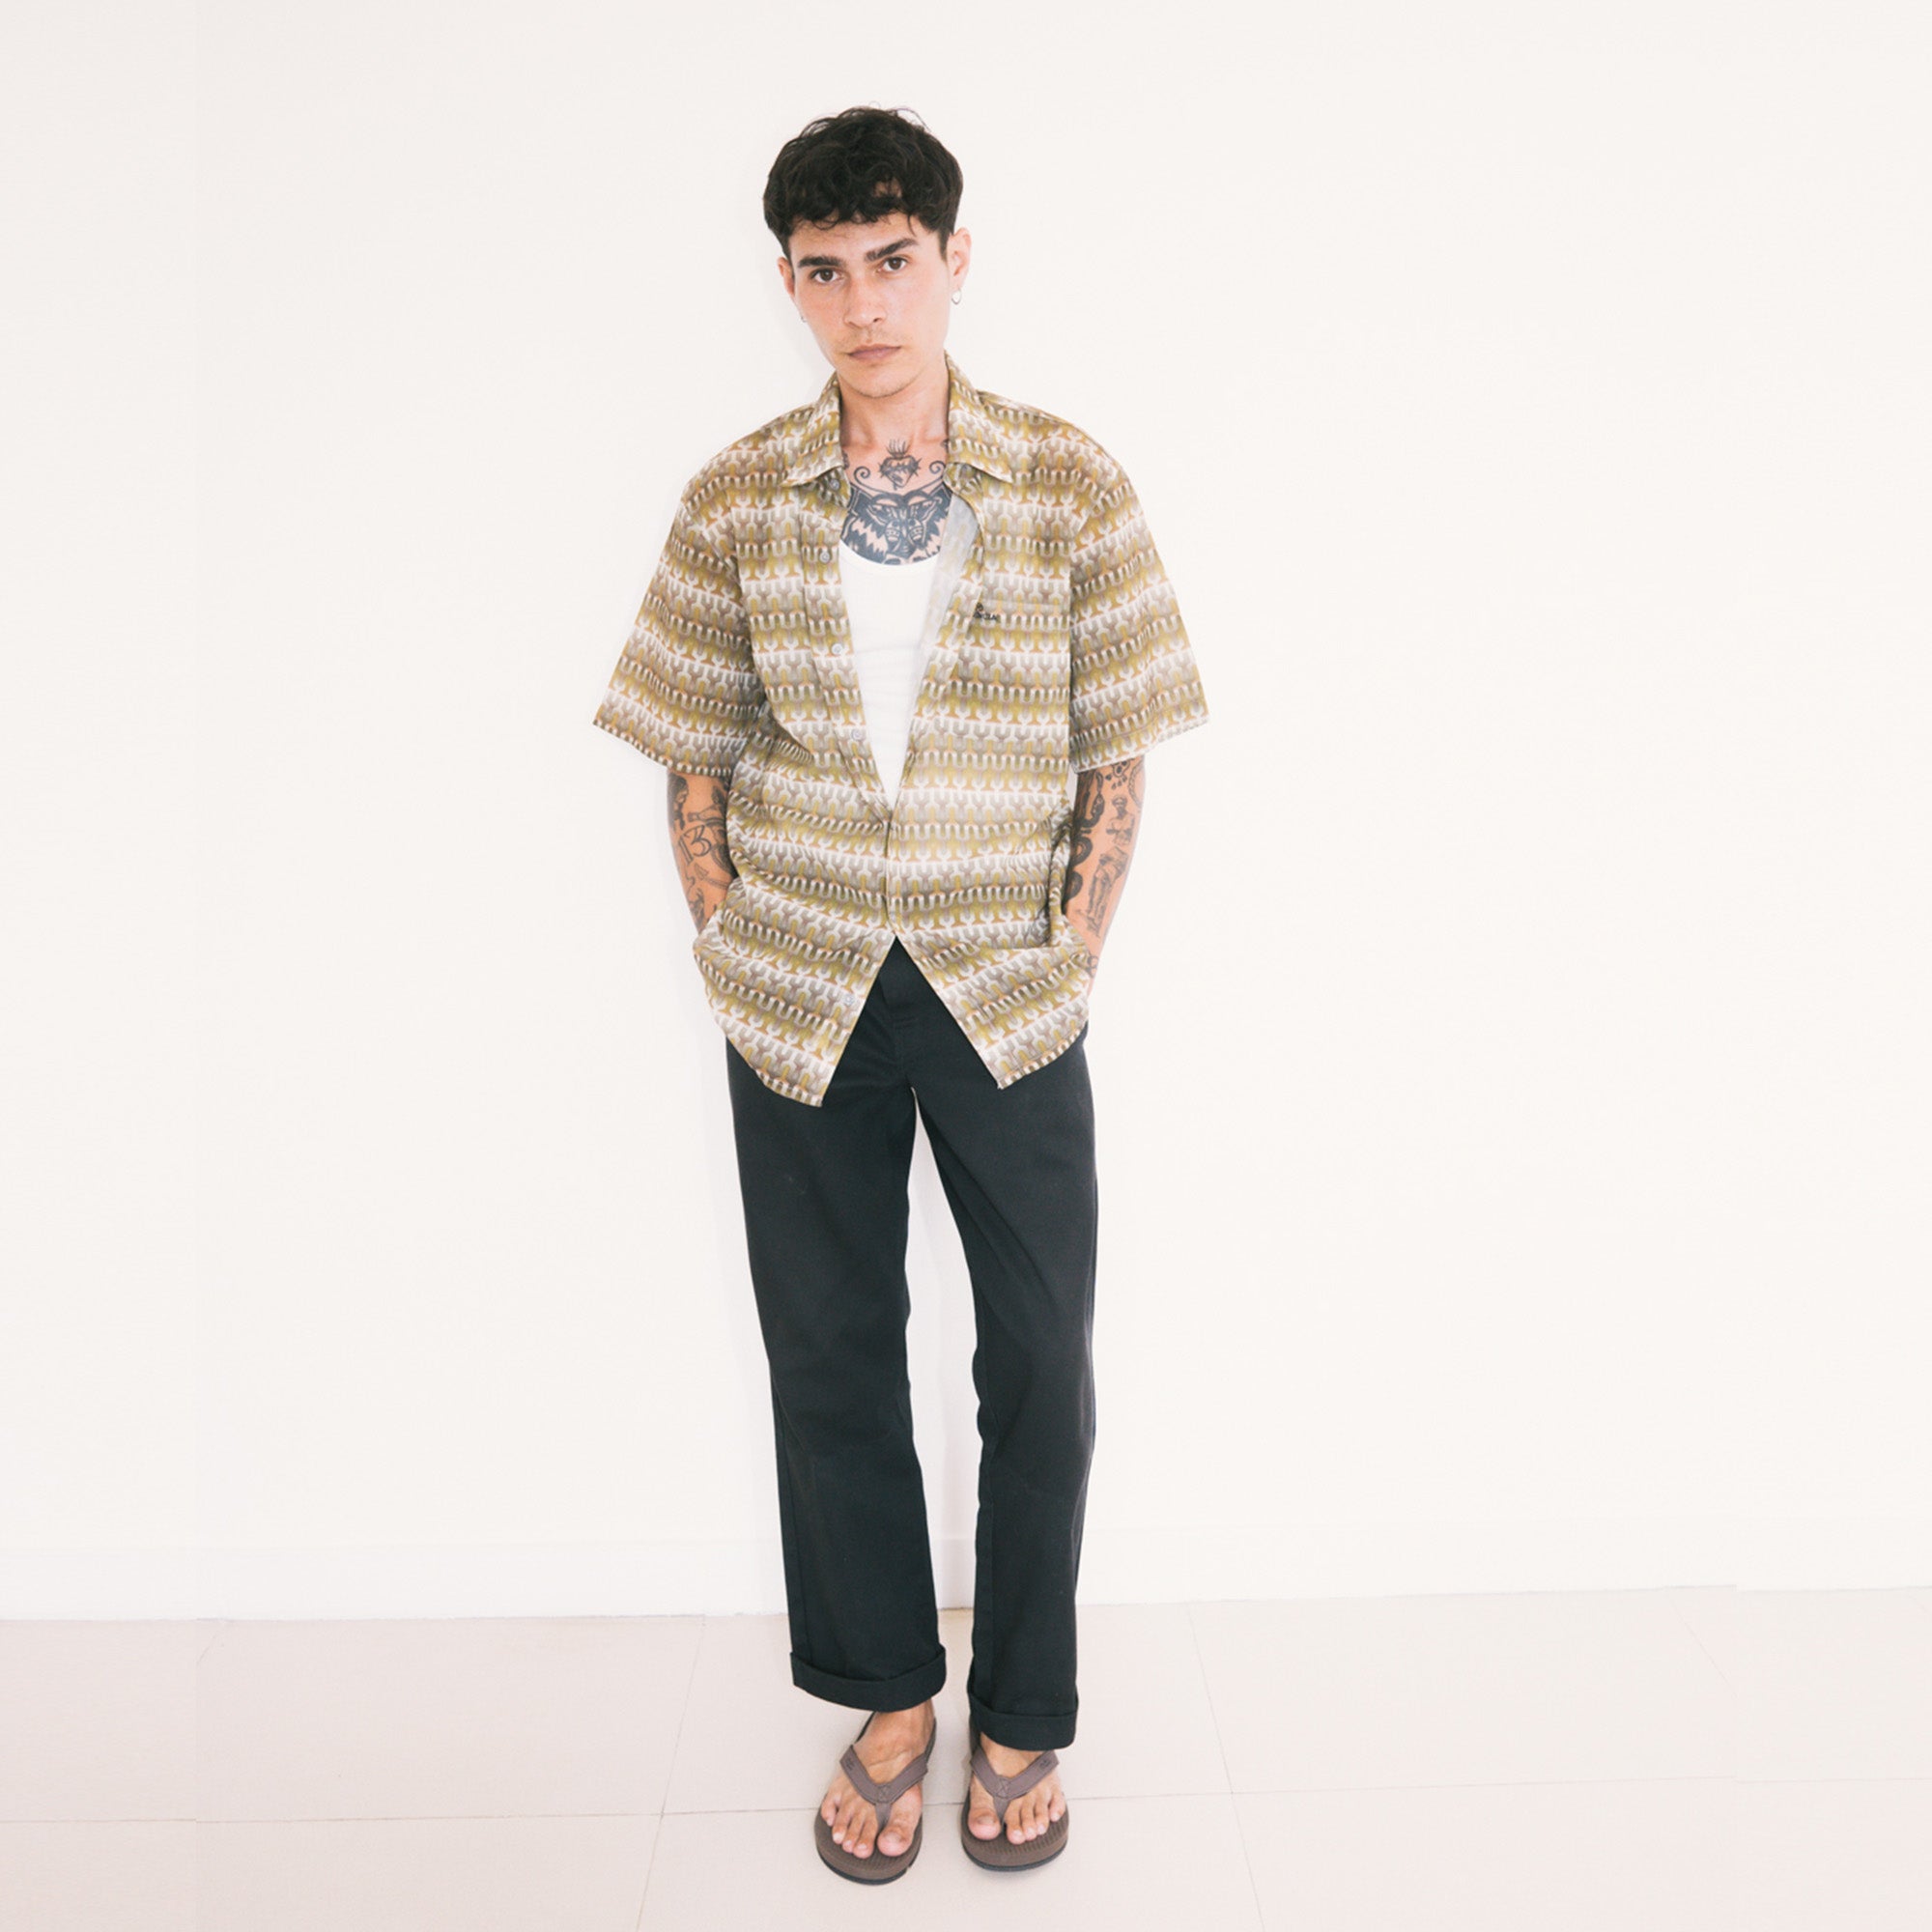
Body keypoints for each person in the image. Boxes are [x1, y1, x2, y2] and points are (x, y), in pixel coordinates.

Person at [591, 104, 1208, 1882]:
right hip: (801, 990)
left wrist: (1072, 950)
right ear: (788, 285)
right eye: (825, 269)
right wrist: (728, 941)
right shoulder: (735, 496)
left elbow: (1117, 746)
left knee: (1042, 1360)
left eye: (893, 258)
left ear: (953, 259)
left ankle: (1025, 1706)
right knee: (832, 1351)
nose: (864, 301)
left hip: (1007, 986)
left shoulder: (1068, 480)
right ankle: (886, 1695)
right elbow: (692, 744)